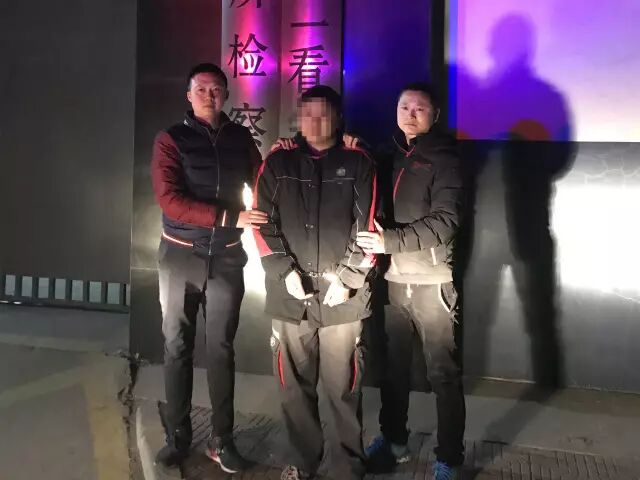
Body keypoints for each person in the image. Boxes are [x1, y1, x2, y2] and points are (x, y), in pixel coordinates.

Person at [150, 62, 268, 473]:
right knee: (176, 347)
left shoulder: (240, 138)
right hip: (180, 257)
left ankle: (222, 440)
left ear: (227, 96)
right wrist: (230, 217)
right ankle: (178, 437)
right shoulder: (171, 139)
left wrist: (286, 154)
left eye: (216, 89)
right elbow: (170, 201)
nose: (209, 95)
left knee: (221, 349)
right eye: (201, 89)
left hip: (227, 258)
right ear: (188, 95)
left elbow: (263, 178)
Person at [254, 85, 376, 480]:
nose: (315, 121)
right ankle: (302, 462)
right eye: (307, 113)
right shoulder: (277, 163)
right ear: (298, 118)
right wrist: (284, 272)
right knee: (293, 387)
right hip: (291, 296)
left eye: (324, 113)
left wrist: (350, 277)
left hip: (344, 298)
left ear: (338, 119)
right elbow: (261, 223)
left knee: (344, 388)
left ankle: (347, 467)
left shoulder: (359, 163)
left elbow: (370, 226)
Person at [355, 82, 466, 480]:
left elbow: (446, 220)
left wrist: (390, 241)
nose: (411, 114)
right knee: (393, 370)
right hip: (393, 280)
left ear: (435, 115)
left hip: (432, 282)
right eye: (404, 107)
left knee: (443, 374)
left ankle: (449, 458)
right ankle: (394, 441)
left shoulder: (445, 157)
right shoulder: (387, 155)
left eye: (420, 108)